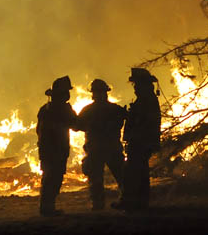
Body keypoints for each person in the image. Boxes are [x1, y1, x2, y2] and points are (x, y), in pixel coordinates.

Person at [112, 67, 161, 211]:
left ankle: (130, 202)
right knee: (140, 172)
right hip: (142, 141)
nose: (135, 88)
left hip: (140, 141)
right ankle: (139, 203)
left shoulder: (146, 100)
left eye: (136, 84)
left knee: (132, 173)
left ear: (143, 84)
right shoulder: (147, 99)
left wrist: (130, 118)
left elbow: (143, 121)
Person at [77, 78, 127, 210]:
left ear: (93, 94)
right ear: (106, 92)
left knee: (96, 178)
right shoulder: (115, 109)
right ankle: (127, 199)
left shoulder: (87, 110)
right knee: (122, 176)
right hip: (112, 147)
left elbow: (77, 126)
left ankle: (98, 205)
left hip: (95, 148)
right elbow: (123, 120)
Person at [36, 75, 77, 216]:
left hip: (46, 150)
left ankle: (47, 207)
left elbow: (38, 130)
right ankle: (48, 208)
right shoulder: (63, 109)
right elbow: (76, 125)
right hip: (57, 150)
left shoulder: (44, 109)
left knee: (49, 177)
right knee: (54, 179)